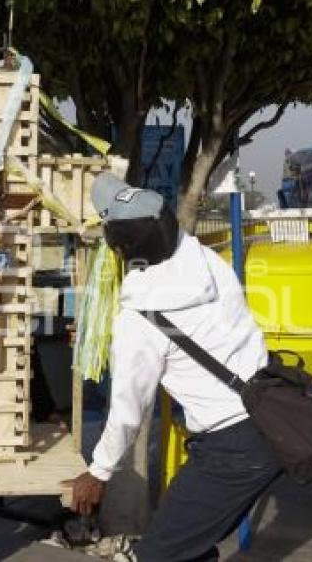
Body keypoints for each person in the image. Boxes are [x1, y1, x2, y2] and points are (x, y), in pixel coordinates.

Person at [68, 173, 283, 561]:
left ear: (119, 251)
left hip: (231, 447)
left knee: (156, 555)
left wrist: (97, 472)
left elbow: (127, 412)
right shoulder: (205, 261)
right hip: (270, 417)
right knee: (189, 548)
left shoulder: (139, 320)